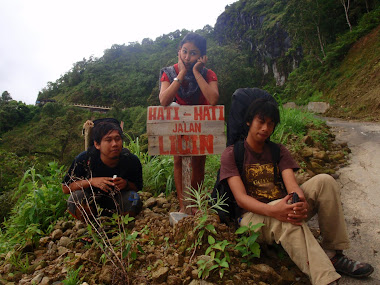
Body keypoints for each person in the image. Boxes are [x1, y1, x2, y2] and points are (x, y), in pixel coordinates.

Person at [220, 98, 374, 285]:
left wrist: (298, 200)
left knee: (324, 181)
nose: (265, 128)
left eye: (270, 123)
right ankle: (325, 278)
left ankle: (334, 254)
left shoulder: (278, 151)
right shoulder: (232, 154)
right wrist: (274, 210)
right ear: (248, 121)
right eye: (260, 121)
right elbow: (241, 199)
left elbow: (292, 185)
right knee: (285, 213)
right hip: (252, 218)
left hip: (281, 205)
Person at [159, 32, 219, 213]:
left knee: (199, 162)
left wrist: (195, 72)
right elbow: (164, 100)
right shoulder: (168, 73)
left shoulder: (208, 74)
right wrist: (183, 73)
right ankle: (183, 204)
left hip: (200, 124)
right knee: (178, 159)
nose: (187, 57)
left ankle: (195, 203)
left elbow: (213, 99)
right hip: (178, 124)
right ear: (179, 51)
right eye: (184, 51)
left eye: (193, 53)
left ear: (201, 56)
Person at [62, 119, 143, 221]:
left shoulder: (131, 160)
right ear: (97, 144)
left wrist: (126, 184)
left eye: (117, 139)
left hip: (118, 202)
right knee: (75, 198)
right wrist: (91, 182)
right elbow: (66, 188)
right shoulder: (85, 159)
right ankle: (91, 224)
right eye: (108, 140)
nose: (114, 144)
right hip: (92, 201)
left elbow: (137, 187)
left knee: (134, 198)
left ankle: (121, 225)